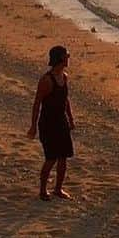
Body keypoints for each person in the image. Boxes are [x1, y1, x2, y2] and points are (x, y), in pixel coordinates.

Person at [28, 45, 75, 200]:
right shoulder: (46, 80)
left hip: (62, 121)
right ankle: (43, 189)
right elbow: (37, 104)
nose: (69, 57)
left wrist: (70, 117)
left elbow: (65, 99)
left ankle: (58, 189)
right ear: (61, 58)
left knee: (64, 157)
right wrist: (33, 126)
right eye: (67, 55)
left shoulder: (65, 77)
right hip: (48, 123)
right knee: (51, 158)